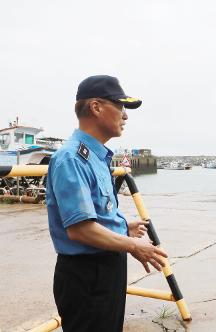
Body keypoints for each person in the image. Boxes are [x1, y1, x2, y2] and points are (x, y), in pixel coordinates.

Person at [46, 75, 168, 332]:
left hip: (107, 267)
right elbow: (80, 229)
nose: (125, 116)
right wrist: (134, 245)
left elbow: (96, 215)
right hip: (87, 274)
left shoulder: (97, 157)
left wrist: (123, 227)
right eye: (121, 107)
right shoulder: (72, 158)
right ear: (96, 107)